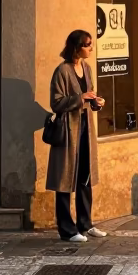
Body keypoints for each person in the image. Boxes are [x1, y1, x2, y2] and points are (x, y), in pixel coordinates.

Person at [46, 29, 109, 243]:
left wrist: (95, 102)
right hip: (67, 132)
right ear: (76, 47)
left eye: (91, 44)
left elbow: (87, 97)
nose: (91, 47)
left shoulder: (87, 68)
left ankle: (86, 224)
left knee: (85, 177)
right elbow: (56, 102)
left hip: (85, 129)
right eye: (87, 44)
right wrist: (80, 97)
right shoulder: (62, 71)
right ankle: (67, 229)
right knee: (64, 179)